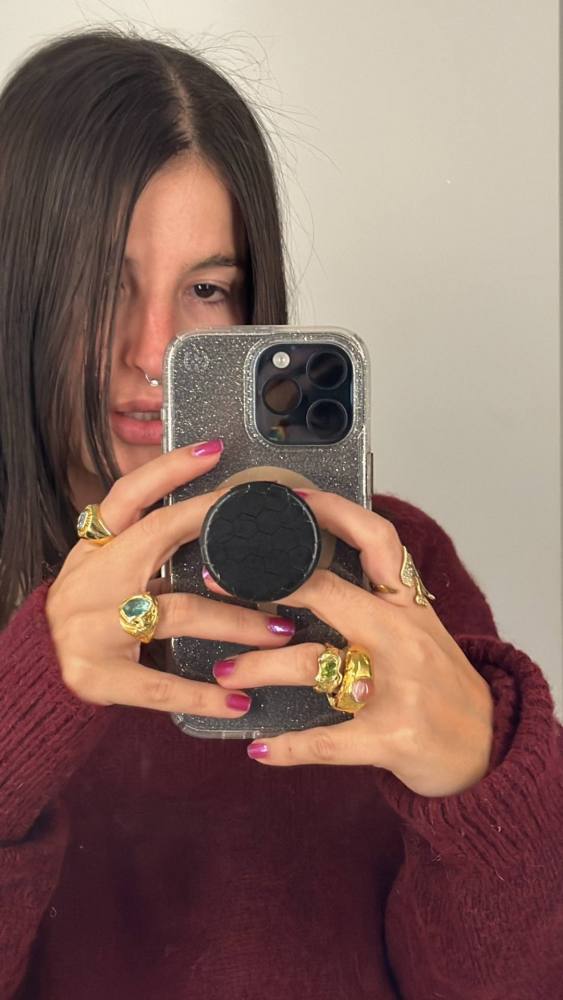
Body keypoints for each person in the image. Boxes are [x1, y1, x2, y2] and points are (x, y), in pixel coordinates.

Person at [0, 28, 560, 1000]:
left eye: (207, 288)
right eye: (102, 283)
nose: (153, 350)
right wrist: (25, 709)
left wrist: (482, 789)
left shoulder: (391, 565)